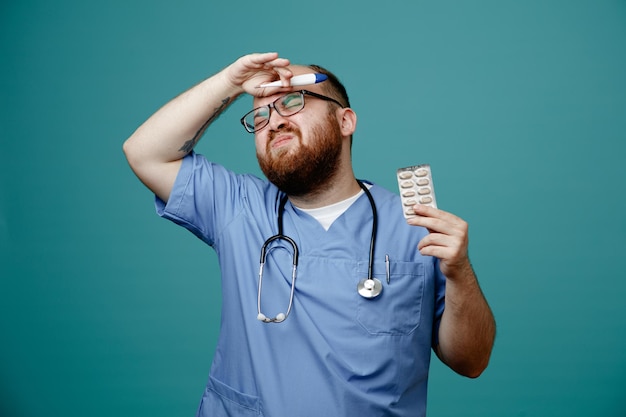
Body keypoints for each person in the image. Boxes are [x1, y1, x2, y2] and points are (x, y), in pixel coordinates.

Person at [123, 52, 496, 417]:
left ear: (345, 121)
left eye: (292, 101)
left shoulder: (414, 226)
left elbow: (471, 361)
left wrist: (459, 272)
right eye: (260, 114)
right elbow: (145, 152)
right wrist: (231, 83)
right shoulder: (237, 207)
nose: (274, 121)